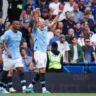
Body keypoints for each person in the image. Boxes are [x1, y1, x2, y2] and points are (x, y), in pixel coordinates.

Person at [26, 8, 61, 93]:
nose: (43, 23)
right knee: (42, 70)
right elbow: (35, 20)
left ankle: (30, 87)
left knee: (41, 71)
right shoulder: (35, 29)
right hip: (38, 52)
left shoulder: (45, 29)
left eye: (44, 22)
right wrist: (37, 12)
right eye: (41, 22)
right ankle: (44, 89)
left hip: (44, 52)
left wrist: (59, 14)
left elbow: (53, 23)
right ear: (38, 23)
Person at [2, 20, 27, 92]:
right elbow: (4, 44)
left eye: (19, 24)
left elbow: (18, 44)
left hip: (17, 56)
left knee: (21, 69)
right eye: (16, 24)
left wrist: (19, 51)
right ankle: (1, 87)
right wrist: (8, 52)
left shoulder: (20, 34)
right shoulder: (7, 33)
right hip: (8, 56)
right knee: (6, 72)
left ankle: (24, 88)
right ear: (13, 25)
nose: (18, 25)